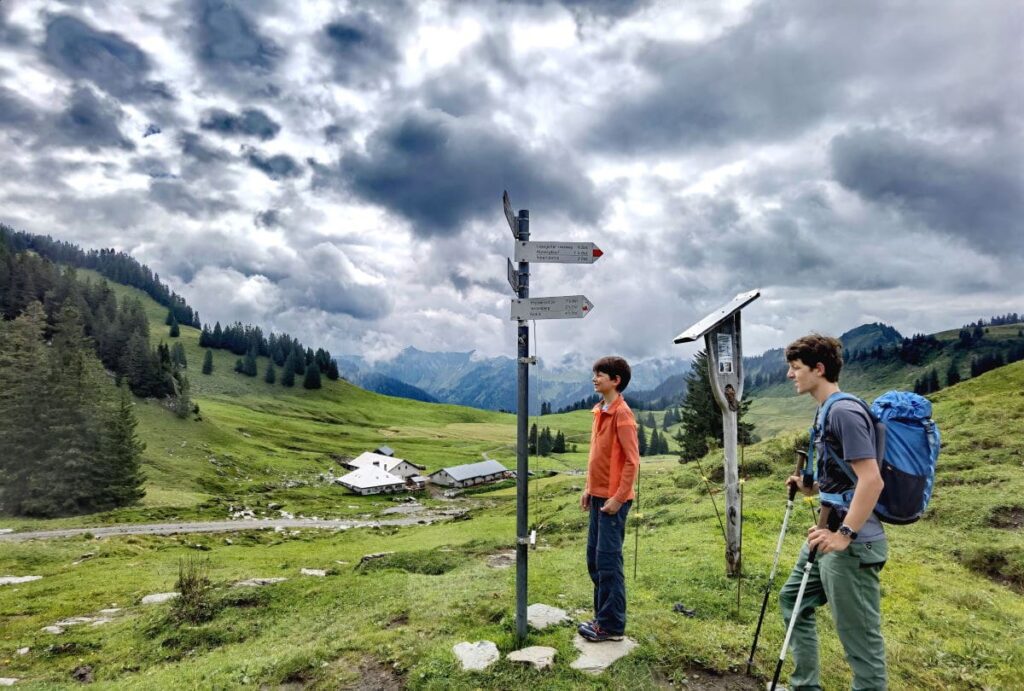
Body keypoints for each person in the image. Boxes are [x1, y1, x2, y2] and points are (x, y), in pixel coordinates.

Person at [779, 334, 888, 690]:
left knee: (860, 640)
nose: (790, 375)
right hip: (826, 533)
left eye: (796, 368)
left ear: (819, 369)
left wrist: (844, 536)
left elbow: (871, 481)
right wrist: (809, 487)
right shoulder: (826, 410)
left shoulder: (844, 411)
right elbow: (846, 478)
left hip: (851, 544)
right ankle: (805, 686)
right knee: (793, 600)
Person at [578, 356, 640, 642]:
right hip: (598, 498)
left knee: (608, 562)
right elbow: (598, 458)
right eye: (595, 374)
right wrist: (589, 489)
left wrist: (618, 498)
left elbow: (631, 461)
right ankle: (603, 617)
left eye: (600, 374)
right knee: (594, 559)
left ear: (615, 380)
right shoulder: (600, 410)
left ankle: (612, 626)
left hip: (613, 503)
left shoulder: (622, 415)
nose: (595, 378)